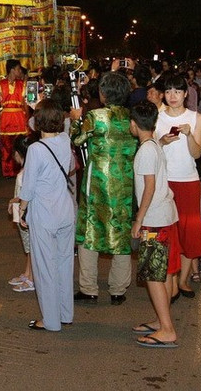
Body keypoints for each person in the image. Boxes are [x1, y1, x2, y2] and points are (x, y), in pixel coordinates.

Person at [70, 72, 137, 306]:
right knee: (121, 230)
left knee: (90, 229)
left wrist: (76, 119)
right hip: (126, 182)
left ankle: (88, 288)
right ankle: (118, 289)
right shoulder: (132, 117)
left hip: (97, 180)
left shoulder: (96, 116)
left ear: (103, 93)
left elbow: (77, 140)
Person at [20, 99, 76, 331]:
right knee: (64, 264)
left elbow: (29, 186)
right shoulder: (65, 140)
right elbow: (66, 123)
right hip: (65, 211)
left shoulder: (35, 150)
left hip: (44, 214)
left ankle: (51, 321)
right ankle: (65, 313)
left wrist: (22, 210)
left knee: (45, 268)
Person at [129, 102, 180, 349]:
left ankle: (167, 329)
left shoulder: (145, 151)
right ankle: (161, 321)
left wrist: (138, 220)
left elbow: (148, 188)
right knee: (164, 272)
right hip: (165, 216)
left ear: (133, 125)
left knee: (153, 275)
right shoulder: (154, 146)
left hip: (154, 221)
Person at [156, 74, 201, 297]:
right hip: (164, 181)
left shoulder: (197, 118)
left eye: (177, 91)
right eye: (168, 92)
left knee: (189, 231)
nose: (172, 96)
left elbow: (197, 153)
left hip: (188, 181)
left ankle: (184, 280)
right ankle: (172, 281)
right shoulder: (157, 118)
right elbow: (150, 151)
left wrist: (188, 136)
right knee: (169, 233)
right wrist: (161, 142)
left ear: (186, 94)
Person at [7, 136, 34, 293]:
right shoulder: (27, 170)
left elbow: (27, 194)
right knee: (28, 246)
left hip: (25, 214)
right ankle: (27, 272)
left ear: (18, 153)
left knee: (31, 246)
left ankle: (32, 278)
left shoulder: (26, 172)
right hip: (21, 212)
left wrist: (16, 201)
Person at [0, 60, 29, 179]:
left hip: (19, 117)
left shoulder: (22, 84)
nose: (20, 71)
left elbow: (24, 102)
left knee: (19, 145)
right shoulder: (0, 84)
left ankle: (19, 169)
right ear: (12, 70)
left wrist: (27, 118)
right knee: (6, 146)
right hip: (6, 118)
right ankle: (8, 171)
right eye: (18, 69)